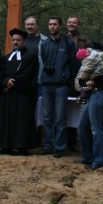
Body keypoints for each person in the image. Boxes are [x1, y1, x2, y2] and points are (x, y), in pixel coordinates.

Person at [0, 28, 39, 155]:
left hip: (22, 93)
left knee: (22, 120)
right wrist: (5, 81)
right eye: (13, 40)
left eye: (18, 40)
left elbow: (27, 74)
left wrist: (13, 82)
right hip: (7, 94)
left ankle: (22, 146)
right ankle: (6, 145)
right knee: (6, 118)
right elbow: (0, 73)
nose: (15, 42)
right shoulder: (5, 58)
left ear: (24, 42)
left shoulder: (30, 57)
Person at [38, 16, 76, 158]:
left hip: (61, 85)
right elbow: (43, 60)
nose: (52, 26)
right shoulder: (45, 43)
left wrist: (72, 83)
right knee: (47, 117)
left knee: (60, 118)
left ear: (60, 26)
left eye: (55, 24)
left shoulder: (68, 43)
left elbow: (73, 63)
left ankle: (60, 147)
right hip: (47, 84)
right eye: (50, 24)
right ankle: (48, 145)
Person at [75, 48, 103, 169]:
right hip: (92, 94)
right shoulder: (92, 61)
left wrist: (94, 81)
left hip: (99, 93)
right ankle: (88, 157)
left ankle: (99, 160)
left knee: (96, 128)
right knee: (82, 126)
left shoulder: (99, 60)